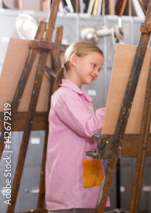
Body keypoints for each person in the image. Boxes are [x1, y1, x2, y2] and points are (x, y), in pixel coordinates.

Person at [46, 41, 108, 212]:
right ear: (74, 60)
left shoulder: (80, 97)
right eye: (93, 65)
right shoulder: (64, 96)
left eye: (99, 69)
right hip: (68, 182)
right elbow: (89, 127)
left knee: (87, 203)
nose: (96, 72)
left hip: (86, 172)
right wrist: (112, 109)